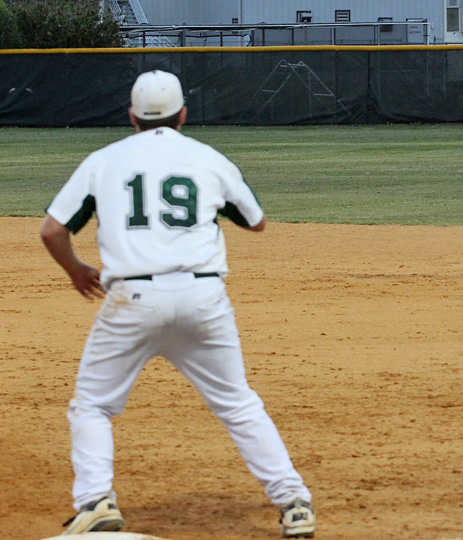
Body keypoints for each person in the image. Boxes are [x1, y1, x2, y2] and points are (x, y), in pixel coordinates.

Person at [40, 70, 316, 538]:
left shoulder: (103, 161)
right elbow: (257, 222)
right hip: (203, 297)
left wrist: (76, 270)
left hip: (131, 299)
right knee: (237, 402)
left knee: (92, 406)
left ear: (131, 117)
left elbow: (52, 230)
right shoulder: (207, 158)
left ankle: (95, 501)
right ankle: (295, 502)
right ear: (183, 114)